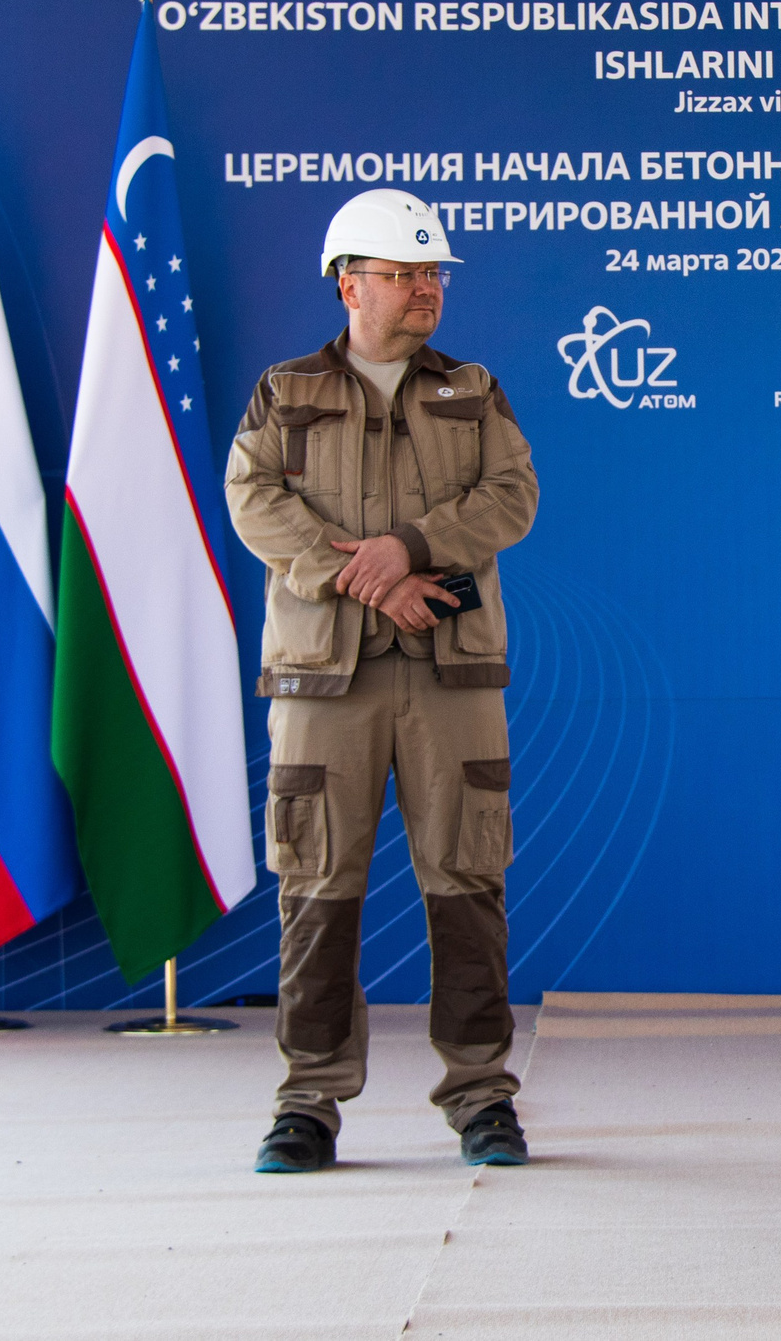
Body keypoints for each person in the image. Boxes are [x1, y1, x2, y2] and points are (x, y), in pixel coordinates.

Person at [225, 188, 540, 1175]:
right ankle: (307, 1100)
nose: (425, 290)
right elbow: (253, 498)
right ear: (347, 283)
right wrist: (367, 584)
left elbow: (512, 495)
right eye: (404, 274)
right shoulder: (285, 392)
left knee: (468, 883)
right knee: (317, 887)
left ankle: (482, 1096)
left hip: (453, 676)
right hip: (326, 684)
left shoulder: (474, 391)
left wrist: (407, 548)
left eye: (432, 273)